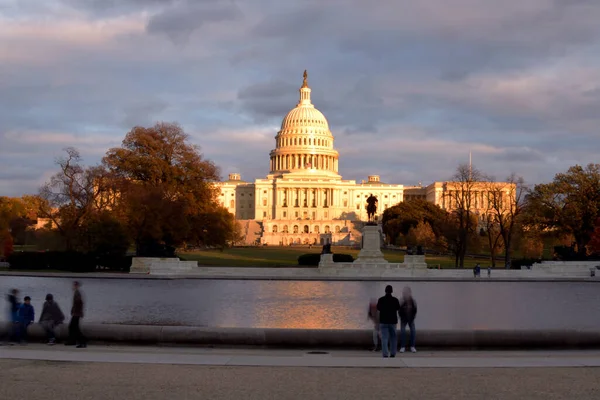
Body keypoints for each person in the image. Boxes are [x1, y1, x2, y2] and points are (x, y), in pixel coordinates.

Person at [376, 285, 400, 358]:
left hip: (383, 321)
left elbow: (378, 308)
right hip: (393, 321)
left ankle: (385, 354)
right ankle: (393, 353)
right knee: (393, 338)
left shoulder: (381, 299)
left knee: (384, 338)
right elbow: (398, 308)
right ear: (392, 291)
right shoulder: (395, 300)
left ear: (385, 291)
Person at [66, 281, 87, 348]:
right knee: (72, 327)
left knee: (74, 327)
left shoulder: (77, 293)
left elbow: (79, 303)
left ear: (76, 286)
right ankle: (73, 341)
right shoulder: (76, 293)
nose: (73, 287)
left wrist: (77, 312)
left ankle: (82, 341)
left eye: (74, 285)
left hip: (76, 314)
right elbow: (77, 303)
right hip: (76, 313)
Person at [398, 286, 418, 353]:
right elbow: (399, 310)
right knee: (402, 332)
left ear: (410, 293)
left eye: (407, 292)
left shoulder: (413, 301)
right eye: (404, 292)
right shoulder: (401, 300)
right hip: (403, 319)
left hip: (411, 319)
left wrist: (413, 317)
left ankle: (412, 346)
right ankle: (402, 347)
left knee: (413, 331)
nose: (406, 294)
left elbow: (415, 310)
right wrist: (401, 317)